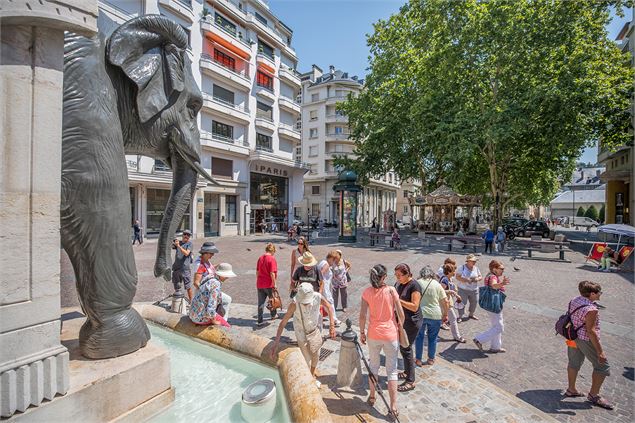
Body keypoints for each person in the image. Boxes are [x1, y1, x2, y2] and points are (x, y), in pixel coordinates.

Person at [359, 264, 405, 418]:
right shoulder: (391, 291)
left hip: (373, 333)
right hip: (390, 334)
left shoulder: (367, 292)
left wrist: (361, 332)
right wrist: (399, 326)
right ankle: (393, 406)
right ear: (384, 277)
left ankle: (372, 396)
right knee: (392, 370)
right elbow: (401, 314)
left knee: (374, 366)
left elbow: (362, 316)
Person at [272, 283, 336, 385]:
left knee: (316, 354)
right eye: (304, 301)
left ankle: (311, 375)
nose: (305, 304)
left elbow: (329, 307)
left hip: (315, 330)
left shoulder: (318, 297)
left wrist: (332, 325)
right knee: (306, 358)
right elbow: (283, 323)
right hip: (301, 331)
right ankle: (307, 379)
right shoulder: (294, 303)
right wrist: (276, 343)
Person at [564, 281, 613, 410]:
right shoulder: (591, 309)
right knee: (602, 366)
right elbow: (590, 331)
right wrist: (600, 351)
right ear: (592, 294)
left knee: (573, 363)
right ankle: (594, 395)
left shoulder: (575, 299)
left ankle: (571, 389)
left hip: (572, 336)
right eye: (599, 292)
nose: (600, 294)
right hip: (584, 339)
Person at [393, 263, 422, 392]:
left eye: (399, 275)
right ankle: (406, 372)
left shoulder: (414, 286)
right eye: (396, 275)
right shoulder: (400, 284)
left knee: (407, 348)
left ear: (407, 274)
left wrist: (398, 300)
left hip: (412, 322)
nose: (397, 277)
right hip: (403, 321)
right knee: (403, 348)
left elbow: (415, 306)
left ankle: (411, 381)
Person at [414, 266, 448, 366]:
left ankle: (418, 359)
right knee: (433, 338)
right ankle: (431, 359)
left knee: (419, 337)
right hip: (435, 315)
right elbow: (445, 301)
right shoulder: (437, 284)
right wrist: (445, 314)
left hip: (420, 314)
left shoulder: (417, 283)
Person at [473, 260, 509, 353]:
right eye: (501, 269)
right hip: (494, 304)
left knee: (495, 325)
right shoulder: (493, 276)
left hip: (490, 303)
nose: (502, 271)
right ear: (494, 269)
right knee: (499, 327)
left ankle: (495, 347)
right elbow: (493, 285)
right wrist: (502, 284)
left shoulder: (490, 274)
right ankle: (479, 339)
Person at [439, 264, 465, 343]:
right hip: (445, 303)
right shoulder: (445, 280)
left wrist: (456, 295)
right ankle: (457, 336)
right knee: (453, 319)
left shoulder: (449, 279)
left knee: (438, 319)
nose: (454, 272)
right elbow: (440, 291)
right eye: (453, 271)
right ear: (449, 272)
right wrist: (450, 291)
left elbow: (452, 289)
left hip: (447, 302)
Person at [256, 243, 278, 326]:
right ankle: (273, 315)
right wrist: (275, 283)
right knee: (272, 300)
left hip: (260, 283)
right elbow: (272, 273)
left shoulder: (260, 258)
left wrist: (258, 280)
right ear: (272, 251)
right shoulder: (271, 259)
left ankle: (260, 320)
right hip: (269, 284)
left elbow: (257, 272)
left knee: (261, 303)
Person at [455, 254, 482, 322]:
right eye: (473, 261)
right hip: (463, 289)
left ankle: (471, 314)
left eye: (475, 261)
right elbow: (457, 277)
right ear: (468, 261)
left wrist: (476, 279)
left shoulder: (476, 268)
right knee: (462, 303)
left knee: (474, 302)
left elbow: (480, 276)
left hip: (474, 289)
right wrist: (466, 280)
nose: (474, 262)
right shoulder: (462, 267)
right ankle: (460, 316)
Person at [318, 251, 341, 327]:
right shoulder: (326, 265)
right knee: (329, 303)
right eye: (335, 260)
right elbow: (321, 275)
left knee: (323, 303)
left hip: (323, 286)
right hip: (324, 287)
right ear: (332, 259)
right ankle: (334, 320)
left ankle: (323, 318)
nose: (334, 263)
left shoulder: (323, 262)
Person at [172, 230, 193, 300]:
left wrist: (179, 246)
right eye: (185, 234)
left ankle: (191, 302)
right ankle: (177, 301)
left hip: (185, 269)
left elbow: (186, 253)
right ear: (182, 235)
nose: (186, 236)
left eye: (188, 235)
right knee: (177, 286)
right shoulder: (179, 243)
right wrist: (174, 241)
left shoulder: (189, 244)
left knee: (188, 287)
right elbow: (171, 246)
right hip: (176, 268)